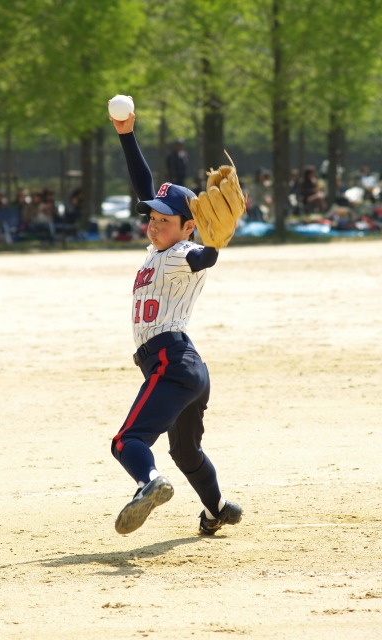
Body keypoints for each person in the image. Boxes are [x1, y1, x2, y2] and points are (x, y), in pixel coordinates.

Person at [109, 102, 243, 536]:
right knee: (186, 452)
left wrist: (216, 244)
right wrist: (127, 134)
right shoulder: (158, 248)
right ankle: (217, 508)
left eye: (165, 221)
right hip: (187, 368)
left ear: (188, 227)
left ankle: (148, 483)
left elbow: (205, 257)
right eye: (151, 218)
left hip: (170, 360)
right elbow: (144, 185)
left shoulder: (185, 253)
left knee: (127, 441)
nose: (154, 226)